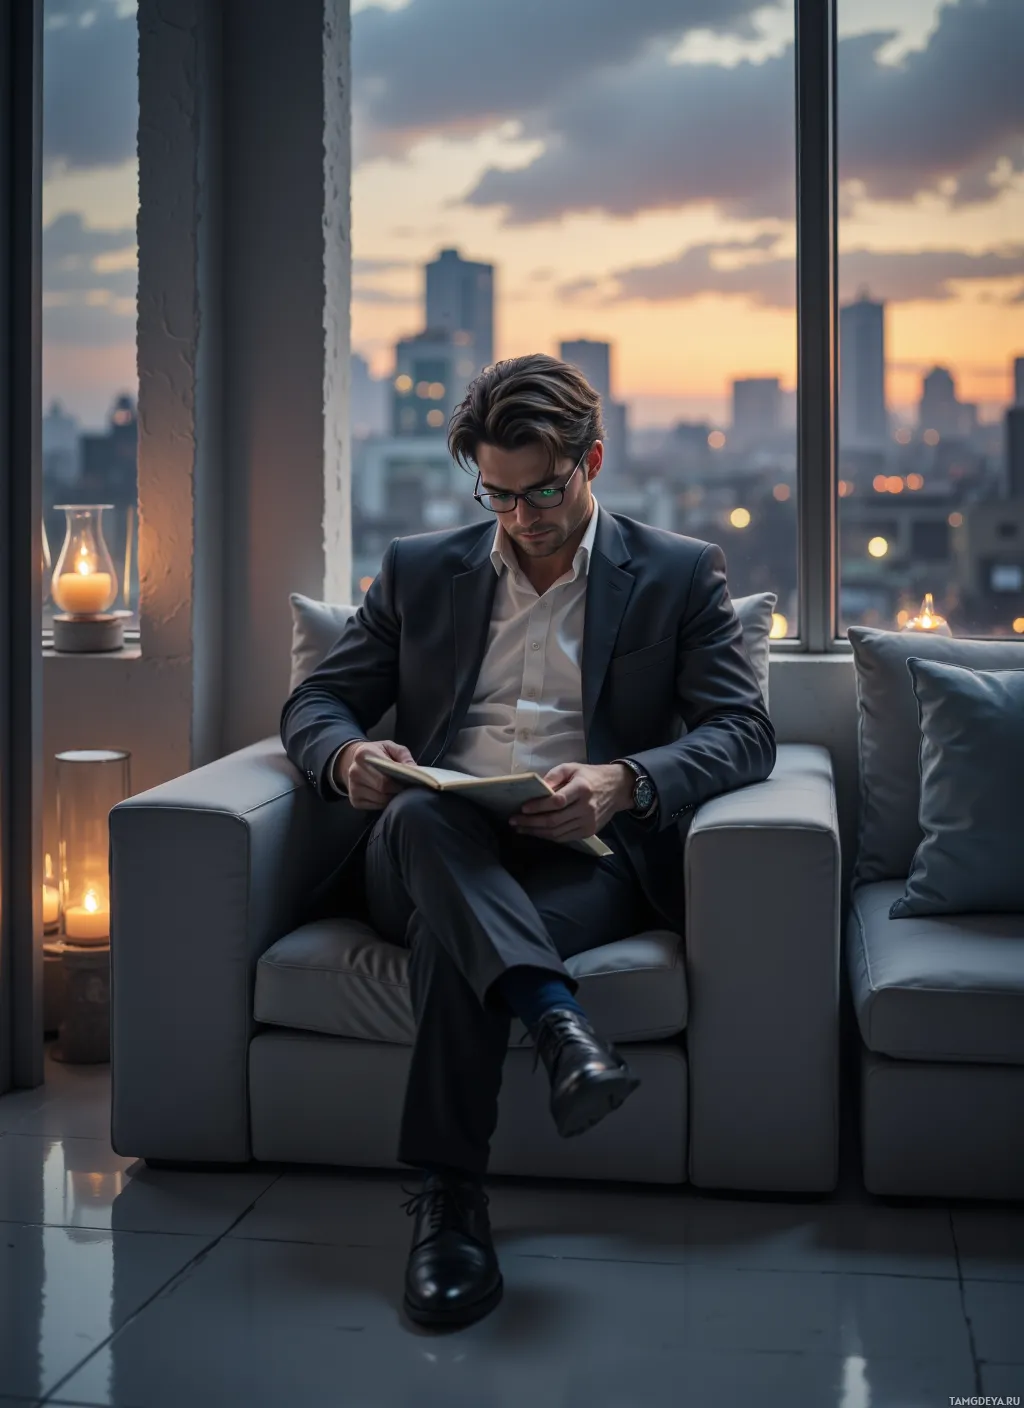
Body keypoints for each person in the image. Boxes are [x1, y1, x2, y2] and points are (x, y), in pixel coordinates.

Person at [280, 353, 775, 1330]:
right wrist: (346, 760)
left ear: (591, 460)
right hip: (421, 840)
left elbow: (742, 730)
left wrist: (622, 781)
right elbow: (317, 702)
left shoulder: (677, 574)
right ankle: (558, 1022)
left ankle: (449, 1210)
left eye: (542, 491)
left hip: (578, 860)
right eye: (497, 495)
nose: (521, 518)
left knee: (452, 943)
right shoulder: (420, 569)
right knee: (425, 814)